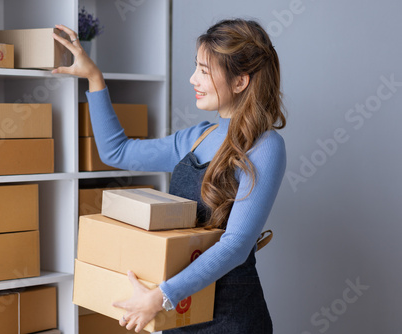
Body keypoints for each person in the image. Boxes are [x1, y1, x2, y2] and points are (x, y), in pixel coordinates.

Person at [52, 18, 286, 333]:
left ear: (240, 81)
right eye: (196, 68)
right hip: (182, 313)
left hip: (230, 318)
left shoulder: (266, 146)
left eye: (204, 71)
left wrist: (162, 296)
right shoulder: (197, 137)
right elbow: (116, 153)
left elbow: (236, 245)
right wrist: (94, 77)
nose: (193, 79)